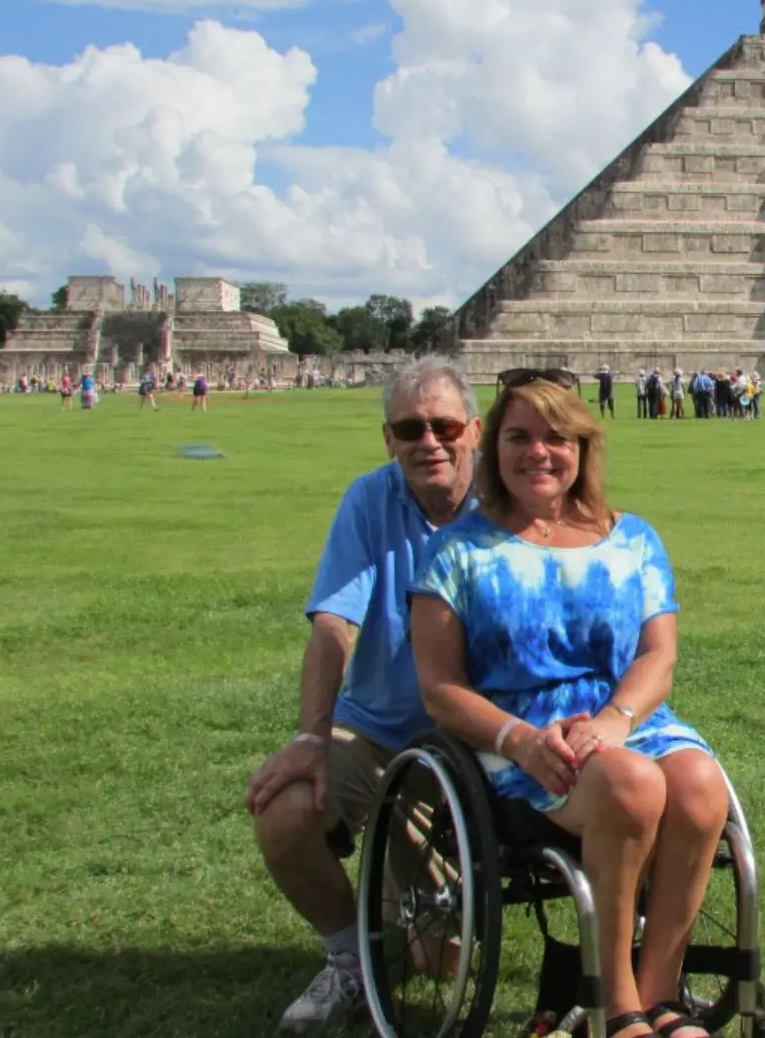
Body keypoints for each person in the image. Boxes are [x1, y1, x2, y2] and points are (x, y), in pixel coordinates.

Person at [410, 372, 724, 1038]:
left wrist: (616, 720)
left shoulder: (632, 537)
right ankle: (618, 1006)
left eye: (557, 437)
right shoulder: (456, 551)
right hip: (522, 741)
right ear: (493, 448)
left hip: (628, 720)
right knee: (633, 786)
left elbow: (656, 658)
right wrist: (520, 739)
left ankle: (661, 995)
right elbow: (440, 689)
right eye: (519, 437)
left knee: (699, 785)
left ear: (582, 446)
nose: (538, 453)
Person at [245, 356, 484, 1034]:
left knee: (438, 960)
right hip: (378, 735)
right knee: (285, 812)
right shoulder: (369, 500)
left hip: (475, 747)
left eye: (442, 425)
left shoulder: (505, 504)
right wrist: (311, 738)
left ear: (473, 429)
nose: (427, 442)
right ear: (388, 438)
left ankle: (404, 909)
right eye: (409, 428)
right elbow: (333, 623)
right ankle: (350, 956)